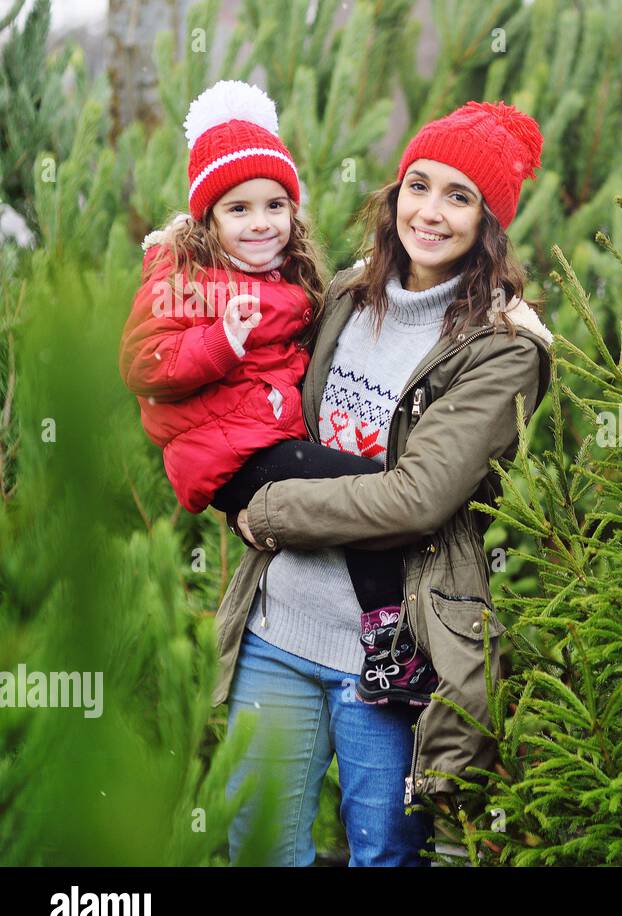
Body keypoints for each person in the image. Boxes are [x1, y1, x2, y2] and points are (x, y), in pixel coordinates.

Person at [210, 99, 552, 865]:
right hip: (277, 631)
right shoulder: (345, 295)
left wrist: (267, 510)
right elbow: (276, 423)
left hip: (394, 655)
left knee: (385, 857)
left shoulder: (504, 350)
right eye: (417, 185)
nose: (429, 212)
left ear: (489, 223)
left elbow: (418, 499)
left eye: (459, 197)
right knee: (257, 849)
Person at [118, 80, 435, 706]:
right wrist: (217, 343)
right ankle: (388, 650)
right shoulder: (188, 279)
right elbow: (141, 361)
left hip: (266, 441)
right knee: (368, 489)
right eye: (238, 210)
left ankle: (380, 642)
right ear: (208, 219)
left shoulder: (290, 280)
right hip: (230, 459)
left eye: (274, 205)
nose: (261, 223)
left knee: (358, 495)